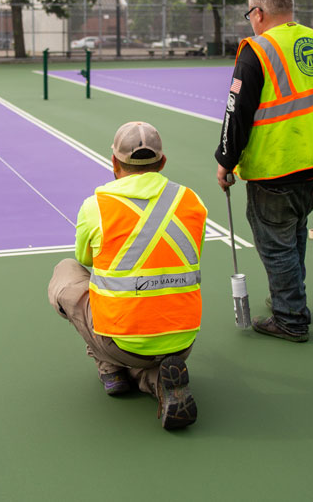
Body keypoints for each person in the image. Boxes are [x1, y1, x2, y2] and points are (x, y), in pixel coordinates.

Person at [49, 121, 208, 430]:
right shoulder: (192, 201)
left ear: (114, 163)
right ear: (162, 162)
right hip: (183, 340)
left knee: (68, 272)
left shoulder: (96, 205)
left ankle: (110, 367)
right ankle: (157, 381)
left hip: (121, 341)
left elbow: (87, 259)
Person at [214, 0, 313, 343]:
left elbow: (236, 113)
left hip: (276, 165)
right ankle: (292, 301)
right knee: (295, 232)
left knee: (275, 243)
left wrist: (225, 160)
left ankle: (290, 317)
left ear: (258, 13)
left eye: (249, 14)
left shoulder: (257, 50)